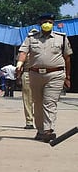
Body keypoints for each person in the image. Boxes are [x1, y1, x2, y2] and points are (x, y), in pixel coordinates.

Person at [16, 13, 72, 142]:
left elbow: (67, 58)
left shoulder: (61, 38)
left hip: (55, 74)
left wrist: (67, 77)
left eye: (50, 22)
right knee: (38, 103)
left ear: (53, 24)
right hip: (35, 75)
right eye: (45, 22)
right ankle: (40, 131)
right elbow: (23, 52)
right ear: (40, 24)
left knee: (49, 103)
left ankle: (48, 130)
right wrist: (19, 65)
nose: (47, 24)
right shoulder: (31, 38)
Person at [21, 30, 37, 129]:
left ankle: (42, 121)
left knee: (41, 100)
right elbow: (20, 62)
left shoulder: (44, 46)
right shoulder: (24, 48)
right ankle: (29, 121)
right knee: (27, 99)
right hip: (28, 73)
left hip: (41, 73)